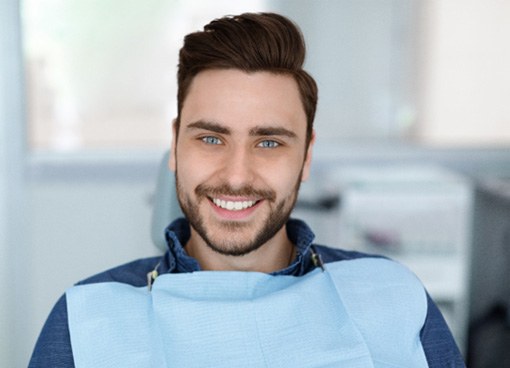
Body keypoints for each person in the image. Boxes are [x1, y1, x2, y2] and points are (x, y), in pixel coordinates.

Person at [29, 12, 465, 367]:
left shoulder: (391, 295)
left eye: (269, 142)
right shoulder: (86, 318)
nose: (237, 176)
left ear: (307, 156)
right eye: (211, 139)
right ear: (176, 146)